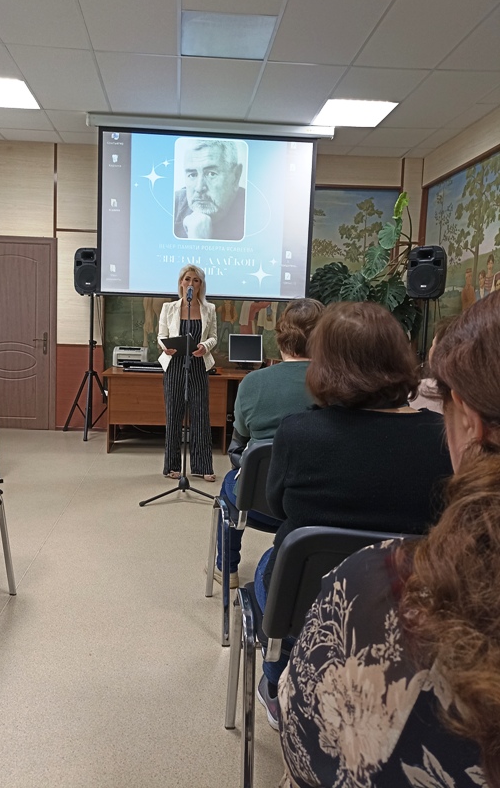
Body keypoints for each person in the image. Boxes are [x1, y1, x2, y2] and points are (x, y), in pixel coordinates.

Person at [278, 291, 500, 788]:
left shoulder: (366, 586)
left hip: (299, 590)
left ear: (468, 421)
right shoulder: (428, 441)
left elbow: (305, 747)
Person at [254, 301, 453, 728]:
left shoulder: (298, 432)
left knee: (272, 563)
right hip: (409, 610)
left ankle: (277, 682)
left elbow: (277, 507)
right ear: (400, 359)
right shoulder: (441, 437)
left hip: (308, 604)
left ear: (322, 364)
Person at [213, 298, 325, 588]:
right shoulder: (340, 385)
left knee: (230, 484)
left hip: (259, 503)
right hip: (321, 506)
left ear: (280, 337)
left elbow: (238, 444)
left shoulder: (252, 383)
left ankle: (227, 569)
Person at [158, 266, 217, 481]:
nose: (191, 283)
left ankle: (203, 467)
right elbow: (161, 335)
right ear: (181, 282)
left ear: (201, 285)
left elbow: (213, 336)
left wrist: (204, 346)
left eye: (196, 280)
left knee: (200, 415)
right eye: (187, 279)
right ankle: (172, 466)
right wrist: (165, 347)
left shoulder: (209, 309)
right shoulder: (169, 308)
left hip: (198, 364)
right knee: (174, 415)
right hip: (175, 364)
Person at [173, 139, 246, 241]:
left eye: (211, 174)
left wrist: (198, 240)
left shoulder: (253, 211)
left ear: (236, 177)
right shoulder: (174, 204)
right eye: (192, 175)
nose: (199, 188)